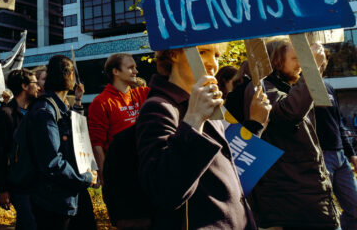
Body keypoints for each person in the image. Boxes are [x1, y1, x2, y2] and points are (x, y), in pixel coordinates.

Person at [136, 45, 266, 229]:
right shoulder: (160, 107)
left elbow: (227, 168)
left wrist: (255, 124)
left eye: (217, 55)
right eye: (203, 52)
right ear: (172, 53)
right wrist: (194, 120)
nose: (213, 63)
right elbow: (163, 190)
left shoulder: (206, 106)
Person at [249, 37, 339, 229]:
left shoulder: (290, 86)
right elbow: (289, 112)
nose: (301, 64)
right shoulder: (262, 87)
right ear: (276, 60)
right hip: (292, 196)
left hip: (306, 192)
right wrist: (310, 66)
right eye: (297, 58)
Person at [28, 55, 97, 230]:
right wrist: (86, 177)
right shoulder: (45, 111)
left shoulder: (59, 108)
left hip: (69, 193)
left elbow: (76, 136)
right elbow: (52, 162)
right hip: (54, 200)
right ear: (69, 75)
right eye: (72, 72)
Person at [311, 42, 357, 230]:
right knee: (325, 213)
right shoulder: (300, 88)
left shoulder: (329, 87)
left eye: (323, 57)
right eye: (315, 56)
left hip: (340, 157)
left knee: (355, 209)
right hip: (321, 156)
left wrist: (351, 154)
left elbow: (338, 124)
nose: (320, 60)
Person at [0, 68, 40, 230]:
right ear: (24, 86)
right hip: (17, 184)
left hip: (37, 183)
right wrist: (2, 189)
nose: (38, 87)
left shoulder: (37, 111)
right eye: (35, 83)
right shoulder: (6, 114)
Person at [88, 53, 149, 186]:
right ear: (115, 71)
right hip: (119, 174)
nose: (136, 71)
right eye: (130, 68)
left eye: (135, 67)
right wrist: (105, 177)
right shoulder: (101, 102)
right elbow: (96, 144)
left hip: (145, 169)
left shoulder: (142, 93)